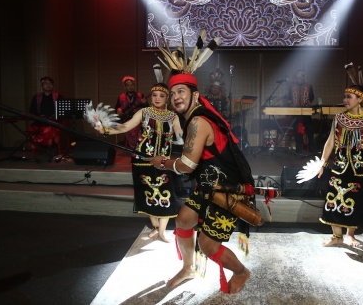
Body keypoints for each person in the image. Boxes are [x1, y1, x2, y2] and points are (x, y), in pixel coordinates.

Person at [146, 72, 255, 294]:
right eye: (173, 93)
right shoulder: (194, 118)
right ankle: (188, 268)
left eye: (181, 92)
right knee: (184, 220)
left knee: (208, 245)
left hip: (228, 190)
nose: (175, 97)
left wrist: (163, 162)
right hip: (210, 186)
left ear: (195, 95)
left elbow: (186, 165)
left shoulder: (198, 121)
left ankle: (242, 272)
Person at [92, 83, 182, 242]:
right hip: (142, 160)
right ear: (151, 97)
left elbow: (180, 136)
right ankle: (156, 228)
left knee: (167, 194)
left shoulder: (173, 116)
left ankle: (162, 231)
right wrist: (105, 129)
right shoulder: (144, 112)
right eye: (155, 95)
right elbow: (125, 127)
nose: (158, 98)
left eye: (162, 96)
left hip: (163, 161)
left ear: (167, 98)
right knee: (147, 194)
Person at [314, 82, 363, 248]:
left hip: (362, 169)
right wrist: (322, 163)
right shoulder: (339, 118)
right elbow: (330, 141)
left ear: (360, 99)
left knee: (356, 201)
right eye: (345, 96)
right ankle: (336, 236)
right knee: (333, 198)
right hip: (340, 166)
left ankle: (350, 235)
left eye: (349, 96)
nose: (345, 99)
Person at [28, 76, 63, 156]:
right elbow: (31, 111)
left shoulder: (58, 96)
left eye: (50, 83)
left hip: (54, 122)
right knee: (31, 129)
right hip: (40, 121)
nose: (48, 85)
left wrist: (54, 116)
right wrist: (40, 116)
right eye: (46, 83)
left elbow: (63, 111)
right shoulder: (36, 97)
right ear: (41, 86)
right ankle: (41, 148)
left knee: (48, 129)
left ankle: (50, 148)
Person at [284, 69, 317, 155]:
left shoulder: (309, 86)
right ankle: (299, 148)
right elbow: (289, 97)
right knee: (296, 129)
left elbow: (312, 97)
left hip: (306, 111)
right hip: (295, 111)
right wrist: (290, 102)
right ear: (296, 77)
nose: (300, 78)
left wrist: (308, 101)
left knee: (310, 129)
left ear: (303, 77)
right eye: (298, 76)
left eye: (301, 76)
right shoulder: (292, 86)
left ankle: (312, 148)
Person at [114, 76, 147, 150]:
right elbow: (116, 108)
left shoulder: (140, 95)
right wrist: (118, 110)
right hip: (126, 119)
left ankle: (138, 147)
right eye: (128, 85)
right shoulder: (121, 97)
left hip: (138, 119)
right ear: (125, 87)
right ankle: (134, 147)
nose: (130, 87)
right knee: (130, 129)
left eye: (132, 85)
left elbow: (147, 108)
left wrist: (144, 103)